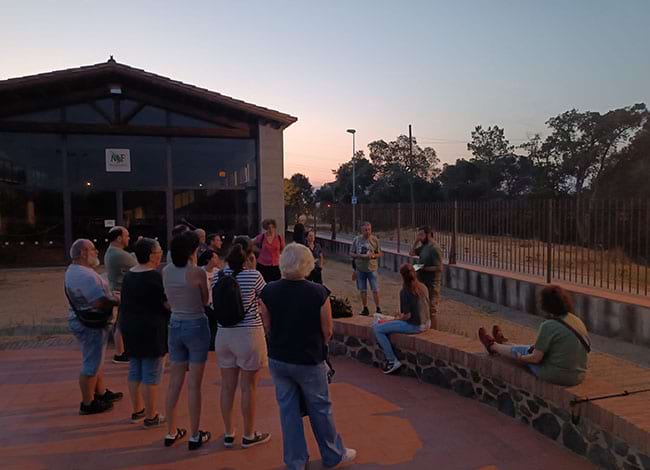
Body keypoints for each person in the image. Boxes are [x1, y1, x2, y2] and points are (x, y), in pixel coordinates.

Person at [259, 243, 356, 469]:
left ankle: (295, 461)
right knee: (320, 408)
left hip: (279, 358)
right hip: (309, 358)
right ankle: (333, 455)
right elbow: (328, 330)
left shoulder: (269, 291)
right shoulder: (318, 292)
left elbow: (267, 325)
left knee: (288, 411)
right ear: (307, 263)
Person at [212, 244, 271, 449]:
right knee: (249, 388)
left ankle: (229, 432)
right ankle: (249, 434)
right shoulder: (253, 276)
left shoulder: (218, 276)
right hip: (249, 335)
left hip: (224, 335)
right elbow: (267, 298)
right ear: (248, 258)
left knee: (227, 387)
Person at [478, 285, 590, 387]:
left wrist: (521, 358)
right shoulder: (576, 320)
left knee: (525, 351)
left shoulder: (549, 325)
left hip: (557, 375)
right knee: (530, 348)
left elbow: (536, 358)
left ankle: (493, 346)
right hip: (578, 375)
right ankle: (504, 343)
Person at [162, 230, 211, 450]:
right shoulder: (197, 272)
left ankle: (171, 431)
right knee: (194, 386)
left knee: (174, 382)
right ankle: (194, 434)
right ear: (194, 250)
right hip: (196, 325)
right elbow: (205, 300)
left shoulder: (166, 270)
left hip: (175, 325)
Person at [65, 239, 123, 415]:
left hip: (84, 321)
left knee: (95, 360)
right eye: (92, 250)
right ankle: (88, 402)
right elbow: (99, 302)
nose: (97, 252)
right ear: (83, 253)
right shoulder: (85, 275)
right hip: (91, 325)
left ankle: (101, 392)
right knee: (91, 364)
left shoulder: (74, 270)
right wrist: (116, 299)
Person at [119, 238, 170, 428]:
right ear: (151, 255)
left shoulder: (129, 275)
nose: (160, 255)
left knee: (135, 370)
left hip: (130, 327)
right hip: (151, 329)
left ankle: (138, 410)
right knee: (151, 374)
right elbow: (165, 303)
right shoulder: (153, 277)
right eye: (158, 252)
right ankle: (151, 415)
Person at [373, 264, 431, 375]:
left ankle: (392, 360)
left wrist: (394, 319)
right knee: (386, 322)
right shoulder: (423, 286)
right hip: (427, 323)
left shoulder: (405, 291)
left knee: (377, 328)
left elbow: (407, 316)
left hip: (415, 325)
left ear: (402, 276)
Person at [104, 226, 136, 364]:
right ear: (119, 238)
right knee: (122, 323)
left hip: (117, 291)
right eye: (126, 236)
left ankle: (121, 351)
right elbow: (136, 263)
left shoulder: (112, 252)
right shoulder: (118, 254)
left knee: (121, 322)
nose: (128, 238)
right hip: (121, 292)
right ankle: (121, 353)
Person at [409, 226, 443, 329]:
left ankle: (435, 332)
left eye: (421, 235)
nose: (420, 237)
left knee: (432, 309)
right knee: (422, 306)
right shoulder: (424, 246)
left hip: (432, 283)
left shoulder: (434, 248)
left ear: (428, 234)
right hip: (422, 281)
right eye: (418, 235)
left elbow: (439, 268)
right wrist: (416, 241)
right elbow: (411, 253)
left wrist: (424, 268)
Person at [350, 221, 382, 316]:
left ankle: (378, 308)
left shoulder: (375, 240)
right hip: (360, 269)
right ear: (361, 230)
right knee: (362, 289)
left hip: (372, 268)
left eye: (369, 230)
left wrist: (373, 256)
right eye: (365, 230)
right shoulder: (356, 240)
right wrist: (358, 255)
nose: (367, 232)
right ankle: (365, 308)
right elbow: (351, 253)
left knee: (375, 289)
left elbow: (380, 253)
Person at [198, 248, 221, 351]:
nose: (218, 259)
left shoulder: (219, 272)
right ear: (208, 260)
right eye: (215, 257)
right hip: (204, 306)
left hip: (216, 305)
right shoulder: (200, 272)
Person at [255, 218, 285, 283]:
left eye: (272, 227)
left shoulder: (279, 238)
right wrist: (258, 251)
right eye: (269, 228)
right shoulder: (261, 237)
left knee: (276, 283)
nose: (271, 229)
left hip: (275, 265)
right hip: (263, 265)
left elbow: (283, 249)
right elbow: (251, 243)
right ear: (266, 228)